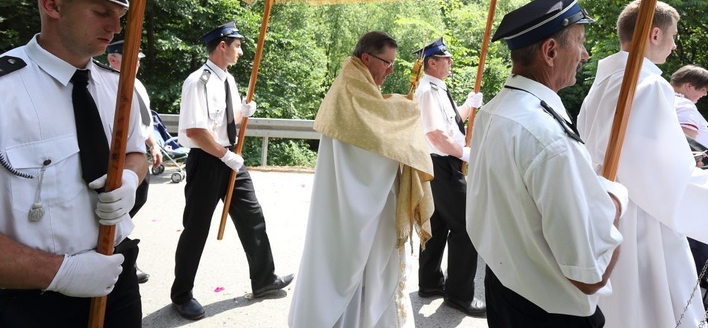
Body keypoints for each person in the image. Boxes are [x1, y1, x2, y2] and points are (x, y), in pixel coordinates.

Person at [578, 0, 708, 328]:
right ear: (654, 34)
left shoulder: (601, 85)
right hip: (641, 219)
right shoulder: (648, 85)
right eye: (673, 36)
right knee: (651, 308)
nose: (674, 45)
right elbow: (658, 172)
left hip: (604, 209)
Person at [0, 0, 149, 327]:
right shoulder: (5, 93)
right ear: (52, 5)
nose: (116, 28)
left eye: (120, 15)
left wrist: (131, 179)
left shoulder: (118, 90)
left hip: (116, 275)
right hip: (33, 299)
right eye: (102, 12)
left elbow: (135, 152)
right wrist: (60, 273)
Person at [467, 0, 627, 328]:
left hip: (504, 288)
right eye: (580, 41)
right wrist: (614, 204)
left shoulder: (495, 111)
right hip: (550, 313)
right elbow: (589, 275)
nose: (585, 55)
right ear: (551, 50)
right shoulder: (548, 136)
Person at [289, 31, 435, 328]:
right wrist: (405, 116)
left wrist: (399, 120)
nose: (391, 69)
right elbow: (368, 151)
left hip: (358, 200)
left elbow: (376, 127)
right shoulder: (352, 88)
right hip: (354, 199)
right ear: (367, 58)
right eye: (387, 62)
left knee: (366, 267)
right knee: (351, 267)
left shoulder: (357, 86)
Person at [170, 21, 293, 321]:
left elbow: (225, 121)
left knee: (253, 216)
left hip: (230, 158)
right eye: (237, 45)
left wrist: (242, 113)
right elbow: (197, 131)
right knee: (196, 228)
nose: (240, 50)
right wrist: (225, 156)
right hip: (209, 160)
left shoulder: (228, 80)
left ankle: (264, 279)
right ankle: (182, 295)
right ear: (222, 45)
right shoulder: (197, 81)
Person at [413, 36, 485, 317]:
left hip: (440, 162)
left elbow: (450, 123)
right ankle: (458, 294)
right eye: (446, 58)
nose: (451, 62)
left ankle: (430, 283)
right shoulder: (429, 91)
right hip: (441, 163)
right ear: (432, 62)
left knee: (439, 223)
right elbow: (435, 135)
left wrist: (469, 105)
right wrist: (464, 153)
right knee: (467, 227)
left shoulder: (437, 89)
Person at [106, 39, 163, 283]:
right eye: (133, 59)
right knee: (118, 209)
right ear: (112, 59)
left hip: (139, 156)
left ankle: (118, 251)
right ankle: (122, 259)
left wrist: (153, 145)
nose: (138, 64)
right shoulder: (106, 84)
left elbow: (143, 121)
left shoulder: (137, 84)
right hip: (117, 158)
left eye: (139, 60)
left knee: (137, 200)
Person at [671, 64, 708, 148]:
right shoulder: (684, 105)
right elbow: (686, 145)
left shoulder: (664, 99)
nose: (705, 94)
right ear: (689, 86)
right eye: (703, 89)